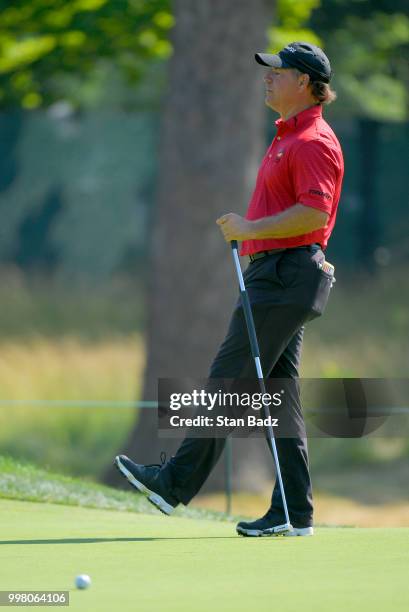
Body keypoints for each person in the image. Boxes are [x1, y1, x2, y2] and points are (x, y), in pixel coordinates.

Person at [115, 42, 344, 537]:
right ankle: (293, 511)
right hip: (275, 275)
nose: (267, 78)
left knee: (229, 379)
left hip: (285, 276)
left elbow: (315, 213)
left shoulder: (313, 141)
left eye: (276, 72)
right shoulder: (287, 137)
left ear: (302, 81)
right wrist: (252, 235)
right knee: (278, 397)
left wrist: (248, 228)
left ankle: (174, 483)